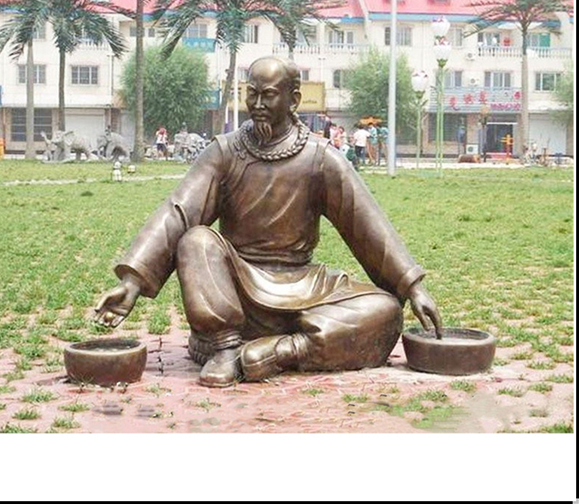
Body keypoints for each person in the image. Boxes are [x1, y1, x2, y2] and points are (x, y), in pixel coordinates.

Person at [95, 56, 442, 388]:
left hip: (303, 288)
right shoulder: (224, 152)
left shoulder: (321, 158)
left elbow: (367, 226)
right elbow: (178, 212)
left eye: (269, 95)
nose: (258, 104)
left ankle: (281, 350)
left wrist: (411, 287)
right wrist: (133, 281)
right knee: (196, 240)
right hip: (235, 285)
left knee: (385, 311)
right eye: (252, 94)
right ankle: (225, 346)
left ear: (293, 100)